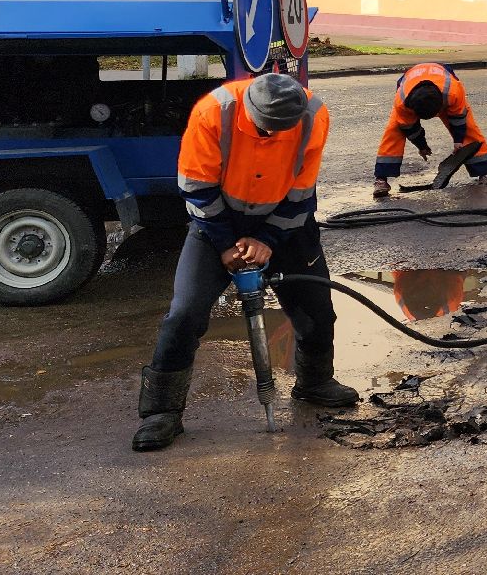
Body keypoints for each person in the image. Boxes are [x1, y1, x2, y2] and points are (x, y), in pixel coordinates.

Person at [133, 72, 353, 453]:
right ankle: (161, 411)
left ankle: (315, 382)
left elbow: (303, 191)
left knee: (316, 308)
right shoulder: (214, 112)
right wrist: (224, 244)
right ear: (250, 110)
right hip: (218, 220)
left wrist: (267, 239)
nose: (271, 137)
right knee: (185, 312)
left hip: (286, 222)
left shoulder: (313, 113)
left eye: (278, 130)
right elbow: (194, 187)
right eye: (265, 129)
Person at [372, 63, 487, 198]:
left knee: (469, 130)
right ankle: (381, 179)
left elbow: (458, 118)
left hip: (445, 94)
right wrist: (422, 146)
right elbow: (410, 127)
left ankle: (484, 173)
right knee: (393, 131)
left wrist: (459, 140)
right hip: (416, 95)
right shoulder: (402, 102)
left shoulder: (453, 91)